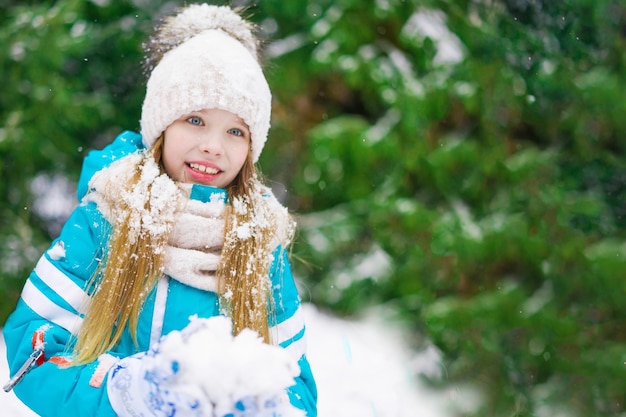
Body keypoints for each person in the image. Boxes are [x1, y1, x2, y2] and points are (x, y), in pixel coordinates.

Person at [2, 4, 317, 417]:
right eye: (195, 120)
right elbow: (34, 351)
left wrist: (266, 406)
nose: (213, 146)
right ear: (161, 126)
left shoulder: (260, 246)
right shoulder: (107, 217)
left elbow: (294, 384)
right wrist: (123, 391)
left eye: (235, 130)